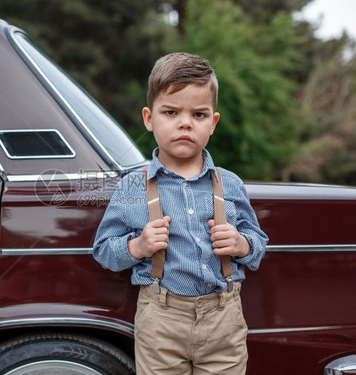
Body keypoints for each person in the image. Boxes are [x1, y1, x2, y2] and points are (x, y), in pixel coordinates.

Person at [93, 52, 268, 375]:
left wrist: (241, 244)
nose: (185, 122)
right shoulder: (133, 187)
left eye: (199, 114)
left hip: (223, 319)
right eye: (171, 112)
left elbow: (257, 243)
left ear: (213, 123)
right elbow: (104, 250)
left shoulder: (229, 184)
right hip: (161, 318)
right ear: (149, 118)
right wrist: (137, 247)